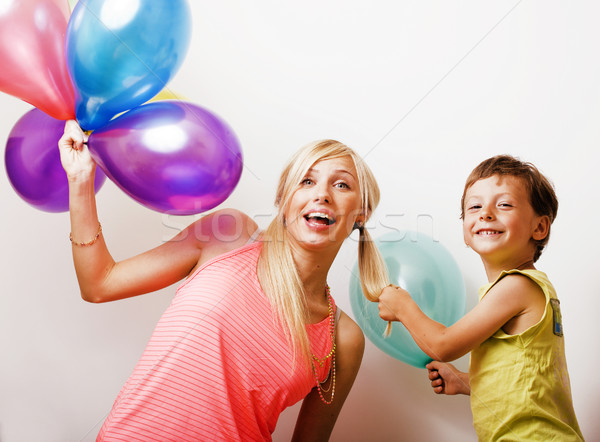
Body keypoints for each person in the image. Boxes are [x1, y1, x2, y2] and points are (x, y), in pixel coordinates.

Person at [58, 120, 389, 441]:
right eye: (306, 181)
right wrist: (81, 181)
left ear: (360, 215)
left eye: (341, 184)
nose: (322, 195)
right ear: (284, 201)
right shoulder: (228, 234)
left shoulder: (342, 338)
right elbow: (99, 284)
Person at [378, 155, 583, 441]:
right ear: (465, 230)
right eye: (475, 206)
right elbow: (524, 380)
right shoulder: (521, 288)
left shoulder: (517, 286)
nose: (486, 213)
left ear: (539, 228)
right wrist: (465, 381)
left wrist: (403, 306)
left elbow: (443, 344)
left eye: (504, 204)